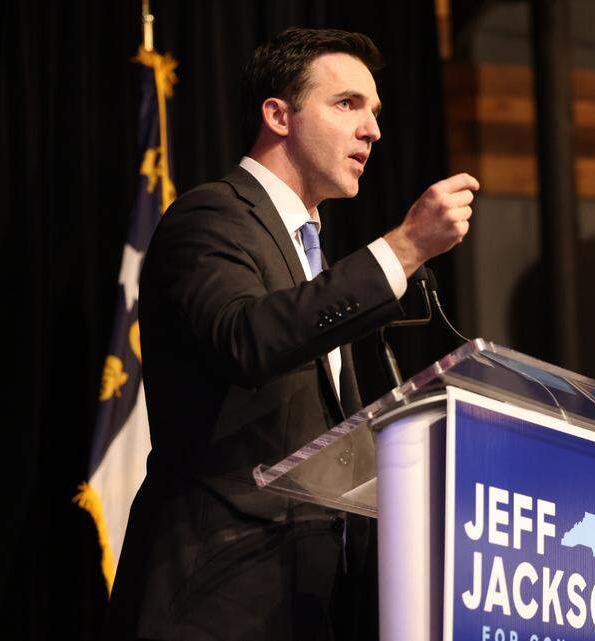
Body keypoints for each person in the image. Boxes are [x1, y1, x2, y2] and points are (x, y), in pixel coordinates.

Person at [101, 27, 479, 641]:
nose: (372, 130)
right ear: (278, 115)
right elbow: (246, 337)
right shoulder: (212, 216)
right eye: (347, 104)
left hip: (312, 603)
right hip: (215, 596)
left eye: (375, 112)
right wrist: (404, 246)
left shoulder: (314, 256)